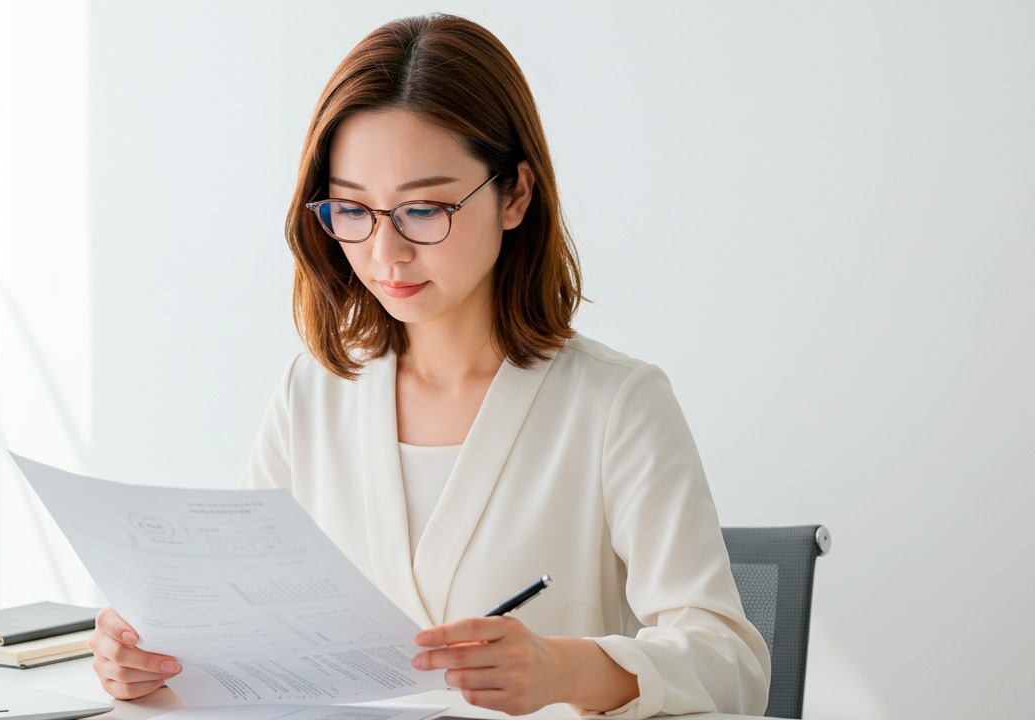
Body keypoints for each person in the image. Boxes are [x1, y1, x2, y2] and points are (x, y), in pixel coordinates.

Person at [86, 12, 770, 719]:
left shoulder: (616, 404)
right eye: (352, 210)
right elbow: (242, 636)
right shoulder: (313, 392)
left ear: (515, 195)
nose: (386, 253)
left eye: (423, 209)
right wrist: (151, 658)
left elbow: (734, 667)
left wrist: (566, 668)